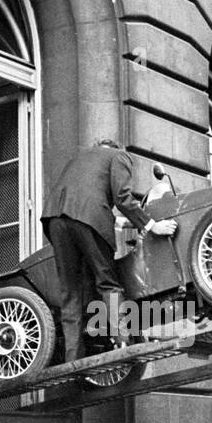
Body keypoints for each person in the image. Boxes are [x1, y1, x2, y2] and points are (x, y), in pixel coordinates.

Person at [42, 140, 178, 361]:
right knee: (108, 282)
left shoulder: (79, 158)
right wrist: (153, 225)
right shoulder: (119, 156)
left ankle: (72, 359)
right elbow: (122, 198)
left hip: (55, 219)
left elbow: (85, 200)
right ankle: (122, 343)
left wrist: (131, 222)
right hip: (90, 218)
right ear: (116, 149)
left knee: (70, 293)